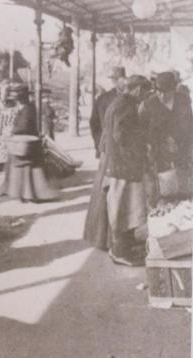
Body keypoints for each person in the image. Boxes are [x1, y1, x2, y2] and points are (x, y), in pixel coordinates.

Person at [104, 75, 151, 266]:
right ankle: (119, 252)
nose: (146, 96)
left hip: (123, 166)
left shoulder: (120, 102)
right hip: (125, 167)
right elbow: (120, 135)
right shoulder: (126, 105)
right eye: (146, 92)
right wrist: (140, 149)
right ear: (138, 89)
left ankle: (126, 248)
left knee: (130, 210)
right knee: (124, 210)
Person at [83, 66, 127, 250]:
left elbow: (94, 124)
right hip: (110, 152)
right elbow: (94, 124)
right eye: (118, 78)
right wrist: (100, 146)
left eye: (121, 78)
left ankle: (113, 238)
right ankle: (105, 238)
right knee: (108, 193)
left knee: (114, 193)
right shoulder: (105, 99)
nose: (120, 81)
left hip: (116, 151)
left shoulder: (111, 98)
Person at [140, 71, 193, 200]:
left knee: (185, 192)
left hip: (182, 152)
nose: (161, 95)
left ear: (173, 90)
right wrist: (161, 143)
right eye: (158, 91)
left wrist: (182, 143)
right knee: (165, 194)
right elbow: (142, 131)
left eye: (165, 92)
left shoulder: (183, 100)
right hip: (159, 155)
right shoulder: (148, 104)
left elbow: (189, 125)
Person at [2, 84, 58, 202]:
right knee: (26, 171)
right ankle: (26, 195)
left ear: (20, 99)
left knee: (29, 170)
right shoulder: (26, 108)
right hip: (25, 143)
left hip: (27, 143)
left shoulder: (28, 109)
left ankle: (31, 195)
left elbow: (24, 126)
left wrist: (12, 130)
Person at [89, 66, 127, 158]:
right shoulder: (103, 99)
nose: (123, 82)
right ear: (114, 81)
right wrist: (99, 144)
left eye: (123, 79)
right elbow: (94, 123)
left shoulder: (130, 98)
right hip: (107, 147)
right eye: (119, 79)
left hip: (126, 149)